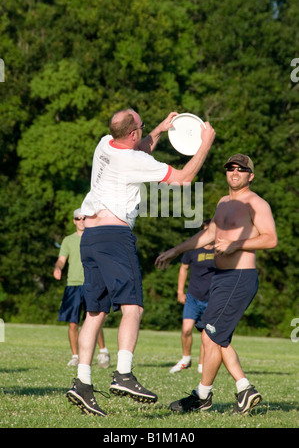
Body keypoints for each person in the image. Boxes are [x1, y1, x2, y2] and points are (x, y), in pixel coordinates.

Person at [66, 108, 216, 416]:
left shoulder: (105, 143)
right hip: (114, 237)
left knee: (95, 312)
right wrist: (206, 143)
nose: (144, 132)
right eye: (143, 127)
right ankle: (123, 373)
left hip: (90, 239)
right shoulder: (135, 160)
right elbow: (185, 179)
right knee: (132, 307)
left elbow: (139, 149)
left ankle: (82, 383)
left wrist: (160, 130)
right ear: (133, 133)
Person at [156, 153, 277, 414]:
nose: (234, 172)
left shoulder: (256, 203)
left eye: (241, 169)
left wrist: (236, 244)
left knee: (211, 334)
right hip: (220, 278)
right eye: (230, 168)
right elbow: (208, 234)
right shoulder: (223, 203)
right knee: (214, 337)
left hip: (239, 277)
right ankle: (244, 390)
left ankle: (204, 396)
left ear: (250, 175)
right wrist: (176, 250)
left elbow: (270, 239)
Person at [54, 209, 110, 369]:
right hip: (73, 285)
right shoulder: (68, 240)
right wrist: (58, 268)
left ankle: (103, 352)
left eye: (84, 218)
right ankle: (75, 356)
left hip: (92, 284)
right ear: (74, 221)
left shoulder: (95, 238)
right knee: (73, 323)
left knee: (94, 320)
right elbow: (61, 260)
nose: (81, 221)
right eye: (77, 218)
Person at [170, 219, 215, 374]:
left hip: (212, 298)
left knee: (206, 334)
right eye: (205, 231)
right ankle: (186, 359)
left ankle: (202, 366)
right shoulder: (193, 248)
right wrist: (179, 292)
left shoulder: (220, 250)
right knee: (186, 329)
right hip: (193, 297)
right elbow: (183, 269)